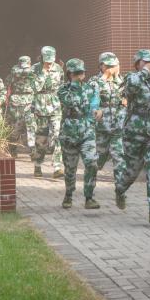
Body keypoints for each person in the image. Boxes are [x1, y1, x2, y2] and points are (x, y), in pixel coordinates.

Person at [114, 48, 150, 223]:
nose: (149, 65)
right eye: (145, 62)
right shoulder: (131, 78)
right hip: (134, 132)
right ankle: (120, 189)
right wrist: (145, 71)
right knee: (132, 170)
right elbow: (130, 88)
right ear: (137, 64)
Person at [58, 58, 102, 209]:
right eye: (76, 73)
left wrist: (98, 111)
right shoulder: (63, 89)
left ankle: (89, 197)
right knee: (70, 169)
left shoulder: (91, 88)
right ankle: (69, 194)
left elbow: (95, 104)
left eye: (82, 72)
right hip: (69, 133)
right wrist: (75, 84)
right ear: (69, 74)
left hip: (87, 132)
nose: (80, 76)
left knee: (92, 163)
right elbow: (71, 101)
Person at [89, 52, 126, 181]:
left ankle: (120, 185)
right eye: (108, 66)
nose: (112, 69)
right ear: (101, 66)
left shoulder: (122, 81)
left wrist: (126, 101)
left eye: (114, 66)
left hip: (118, 126)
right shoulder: (95, 81)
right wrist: (104, 77)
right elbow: (90, 95)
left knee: (119, 156)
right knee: (99, 157)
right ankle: (90, 179)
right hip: (101, 127)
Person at [31, 46, 64, 178]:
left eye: (51, 61)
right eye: (47, 61)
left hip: (55, 106)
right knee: (41, 140)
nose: (49, 63)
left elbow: (61, 86)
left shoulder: (59, 68)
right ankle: (38, 164)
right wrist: (44, 72)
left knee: (57, 135)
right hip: (40, 107)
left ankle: (57, 167)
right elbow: (34, 87)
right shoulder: (34, 69)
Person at [6, 55, 36, 157]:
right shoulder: (16, 71)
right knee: (15, 128)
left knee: (30, 127)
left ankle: (32, 150)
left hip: (28, 102)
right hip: (17, 103)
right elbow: (8, 84)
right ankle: (13, 150)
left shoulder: (15, 72)